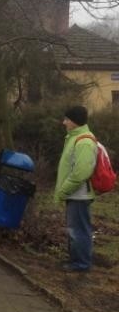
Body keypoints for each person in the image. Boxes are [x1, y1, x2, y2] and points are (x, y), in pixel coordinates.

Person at [54, 105, 98, 272]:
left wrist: (64, 190)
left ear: (74, 121)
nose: (64, 122)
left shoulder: (84, 142)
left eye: (67, 119)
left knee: (78, 230)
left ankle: (80, 264)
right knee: (75, 229)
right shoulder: (74, 138)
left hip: (79, 194)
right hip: (75, 194)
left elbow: (81, 173)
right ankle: (76, 260)